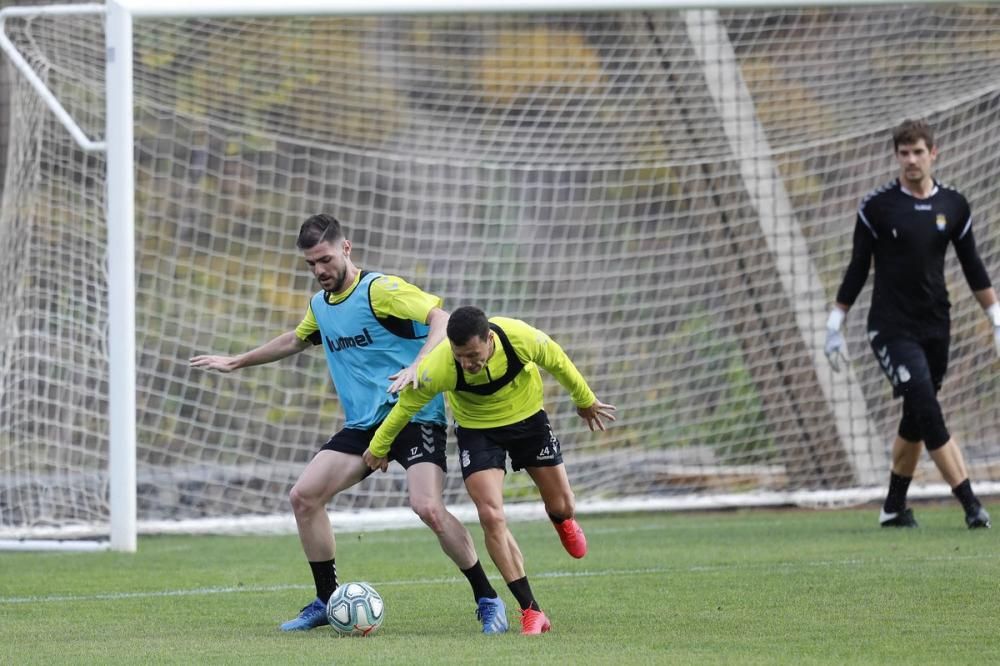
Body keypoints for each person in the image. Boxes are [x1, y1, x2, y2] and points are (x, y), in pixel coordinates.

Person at [190, 214, 509, 634]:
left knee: (427, 507)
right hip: (363, 425)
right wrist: (238, 360)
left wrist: (417, 366)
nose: (319, 270)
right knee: (303, 497)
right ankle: (326, 599)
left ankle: (487, 598)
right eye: (310, 264)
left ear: (346, 248)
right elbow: (296, 339)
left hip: (413, 414)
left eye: (324, 258)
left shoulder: (381, 290)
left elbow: (443, 320)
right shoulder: (321, 307)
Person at [362, 305, 617, 635]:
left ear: (490, 338)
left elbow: (556, 359)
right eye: (460, 355)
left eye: (473, 354)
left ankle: (562, 520)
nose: (467, 363)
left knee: (562, 504)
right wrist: (379, 446)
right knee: (491, 516)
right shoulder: (439, 365)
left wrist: (585, 400)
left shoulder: (519, 337)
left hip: (529, 422)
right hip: (478, 432)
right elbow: (407, 406)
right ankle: (531, 610)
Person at [825, 119, 998, 529]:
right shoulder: (877, 206)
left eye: (918, 152)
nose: (911, 160)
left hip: (937, 325)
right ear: (896, 157)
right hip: (889, 327)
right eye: (904, 153)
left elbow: (972, 265)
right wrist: (834, 323)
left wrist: (994, 318)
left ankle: (893, 507)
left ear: (933, 153)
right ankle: (971, 504)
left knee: (916, 415)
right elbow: (856, 267)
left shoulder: (954, 205)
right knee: (926, 405)